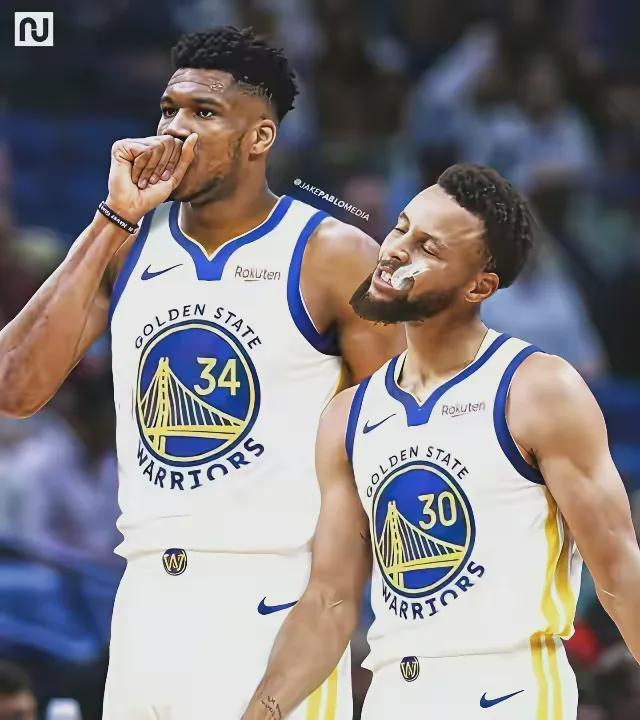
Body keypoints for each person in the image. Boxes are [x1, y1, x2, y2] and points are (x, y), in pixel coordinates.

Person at [0, 26, 404, 718]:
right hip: (144, 590)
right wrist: (112, 218)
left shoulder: (333, 255)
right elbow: (15, 388)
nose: (176, 129)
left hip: (275, 591)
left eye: (204, 112)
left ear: (260, 137)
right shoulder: (125, 246)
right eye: (169, 109)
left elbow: (398, 440)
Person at [242, 164, 640, 719]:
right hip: (393, 694)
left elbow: (618, 570)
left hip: (506, 694)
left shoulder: (538, 389)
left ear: (479, 286)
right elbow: (329, 602)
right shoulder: (347, 415)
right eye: (401, 228)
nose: (395, 250)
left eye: (427, 246)